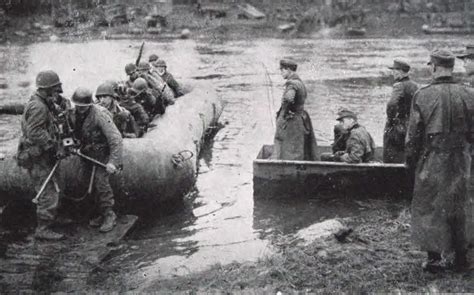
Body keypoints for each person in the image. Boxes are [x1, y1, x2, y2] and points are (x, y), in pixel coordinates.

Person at [406, 49, 474, 273]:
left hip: (433, 156)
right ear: (452, 67)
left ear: (434, 67)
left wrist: (411, 162)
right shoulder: (468, 93)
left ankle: (434, 258)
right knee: (461, 203)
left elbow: (413, 136)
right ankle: (461, 257)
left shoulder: (423, 95)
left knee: (430, 204)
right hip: (462, 158)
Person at [16, 70, 66, 240]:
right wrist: (53, 146)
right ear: (47, 90)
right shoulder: (38, 106)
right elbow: (35, 132)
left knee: (51, 187)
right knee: (47, 190)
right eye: (54, 90)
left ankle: (49, 222)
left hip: (42, 154)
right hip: (38, 157)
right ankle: (43, 229)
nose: (56, 94)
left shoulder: (40, 102)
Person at [71, 87, 123, 233]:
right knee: (86, 181)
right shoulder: (73, 114)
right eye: (77, 106)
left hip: (102, 153)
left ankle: (109, 215)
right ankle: (98, 213)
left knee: (101, 183)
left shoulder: (99, 115)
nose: (79, 109)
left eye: (83, 107)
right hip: (86, 153)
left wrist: (113, 162)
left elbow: (115, 139)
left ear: (89, 104)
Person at [271, 59, 318, 161]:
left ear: (289, 70)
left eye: (282, 70)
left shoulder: (291, 83)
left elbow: (289, 98)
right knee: (297, 145)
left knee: (289, 146)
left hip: (292, 121)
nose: (281, 73)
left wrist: (287, 112)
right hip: (300, 118)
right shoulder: (300, 82)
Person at [383, 59, 418, 163]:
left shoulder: (398, 86)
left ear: (400, 72)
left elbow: (391, 104)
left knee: (391, 151)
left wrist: (391, 120)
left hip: (399, 125)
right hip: (411, 124)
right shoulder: (415, 85)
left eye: (394, 70)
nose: (393, 73)